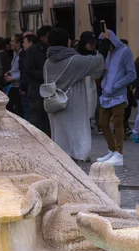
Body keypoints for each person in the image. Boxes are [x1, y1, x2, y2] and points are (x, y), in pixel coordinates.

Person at [43, 27, 106, 162]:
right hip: (72, 103)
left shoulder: (48, 62)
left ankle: (61, 158)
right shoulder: (73, 61)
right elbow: (98, 62)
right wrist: (104, 43)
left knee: (59, 134)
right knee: (77, 132)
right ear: (66, 41)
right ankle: (77, 158)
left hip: (54, 103)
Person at [95, 29, 137, 167]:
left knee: (118, 122)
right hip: (106, 94)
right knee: (102, 122)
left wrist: (116, 85)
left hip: (118, 94)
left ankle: (119, 153)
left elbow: (132, 74)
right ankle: (112, 150)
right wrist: (103, 83)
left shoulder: (125, 52)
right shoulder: (107, 53)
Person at [24, 25, 51, 136]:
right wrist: (45, 74)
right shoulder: (32, 51)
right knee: (36, 118)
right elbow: (28, 70)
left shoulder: (51, 49)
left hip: (49, 91)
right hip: (37, 91)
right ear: (43, 37)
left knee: (47, 121)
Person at [5, 34, 24, 116]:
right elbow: (16, 68)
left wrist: (12, 78)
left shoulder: (21, 55)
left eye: (12, 41)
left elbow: (23, 71)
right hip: (14, 85)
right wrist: (10, 72)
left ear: (18, 43)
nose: (10, 43)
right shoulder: (15, 53)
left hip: (18, 86)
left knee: (11, 107)